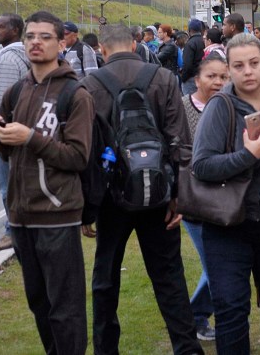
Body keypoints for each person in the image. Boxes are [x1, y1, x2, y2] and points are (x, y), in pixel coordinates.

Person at [84, 24, 202, 355]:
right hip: (159, 192)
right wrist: (179, 195)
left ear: (102, 51)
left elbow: (89, 150)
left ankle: (106, 349)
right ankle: (187, 347)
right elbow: (179, 139)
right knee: (169, 277)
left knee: (105, 278)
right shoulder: (163, 78)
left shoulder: (91, 84)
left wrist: (88, 207)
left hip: (111, 197)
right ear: (136, 45)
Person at [192, 34, 260, 355]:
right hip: (229, 224)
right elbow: (202, 165)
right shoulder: (219, 107)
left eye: (254, 63)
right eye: (238, 66)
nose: (248, 72)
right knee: (230, 308)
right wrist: (247, 156)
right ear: (229, 70)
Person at [0, 10, 94, 355]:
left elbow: (78, 157)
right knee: (39, 305)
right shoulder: (15, 93)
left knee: (66, 310)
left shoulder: (75, 94)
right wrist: (1, 134)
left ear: (62, 42)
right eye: (30, 37)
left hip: (58, 215)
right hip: (21, 217)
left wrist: (30, 138)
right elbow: (8, 157)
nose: (36, 42)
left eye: (45, 37)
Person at [181, 53, 231, 342]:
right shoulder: (183, 106)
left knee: (218, 265)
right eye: (211, 76)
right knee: (216, 266)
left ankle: (195, 316)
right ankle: (196, 317)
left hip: (227, 201)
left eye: (223, 77)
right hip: (196, 201)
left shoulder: (231, 105)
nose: (218, 82)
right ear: (196, 79)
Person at [0, 13, 29, 252]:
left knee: (7, 186)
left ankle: (13, 231)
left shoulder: (7, 61)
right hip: (17, 132)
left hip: (6, 135)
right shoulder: (19, 56)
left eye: (1, 26)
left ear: (15, 30)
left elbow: (4, 104)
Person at [180, 19, 206, 96]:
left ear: (189, 30)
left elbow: (187, 65)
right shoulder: (204, 41)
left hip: (191, 78)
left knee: (189, 102)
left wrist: (183, 78)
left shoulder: (190, 43)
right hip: (201, 75)